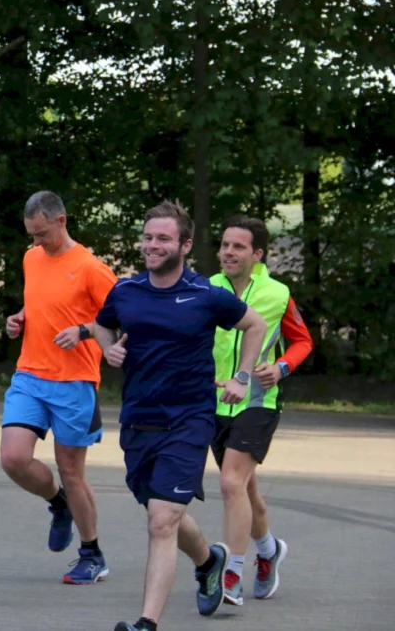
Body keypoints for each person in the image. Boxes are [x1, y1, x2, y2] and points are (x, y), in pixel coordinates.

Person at [92, 200, 268, 631]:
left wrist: (242, 376)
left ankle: (146, 623)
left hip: (189, 419)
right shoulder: (125, 290)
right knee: (160, 510)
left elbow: (256, 324)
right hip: (138, 420)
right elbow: (101, 323)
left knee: (162, 519)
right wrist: (107, 348)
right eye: (148, 237)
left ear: (185, 245)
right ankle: (209, 561)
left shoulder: (205, 295)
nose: (152, 245)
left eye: (163, 238)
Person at [1, 190, 118, 584]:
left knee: (71, 470)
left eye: (42, 234)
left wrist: (84, 330)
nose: (36, 243)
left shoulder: (91, 268)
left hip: (75, 383)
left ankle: (92, 554)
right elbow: (41, 304)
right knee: (13, 459)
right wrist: (19, 318)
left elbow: (122, 320)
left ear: (61, 221)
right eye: (31, 235)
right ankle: (58, 504)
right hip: (30, 375)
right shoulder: (32, 258)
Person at [210, 215, 313, 606]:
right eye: (224, 245)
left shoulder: (278, 293)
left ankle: (232, 573)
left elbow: (302, 341)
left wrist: (282, 366)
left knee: (230, 484)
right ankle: (269, 551)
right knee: (245, 488)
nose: (228, 252)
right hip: (215, 401)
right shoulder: (207, 289)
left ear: (257, 254)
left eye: (237, 246)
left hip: (258, 400)